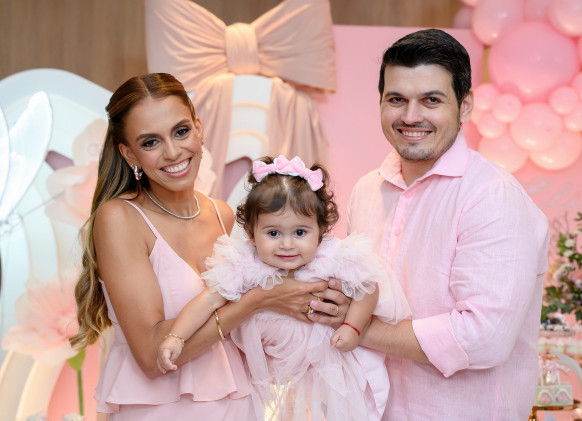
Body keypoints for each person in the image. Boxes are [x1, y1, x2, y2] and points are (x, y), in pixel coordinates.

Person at [68, 73, 346, 420]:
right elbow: (153, 355)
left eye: (181, 131)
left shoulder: (221, 214)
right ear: (129, 153)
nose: (173, 152)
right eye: (150, 142)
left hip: (236, 405)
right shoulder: (120, 218)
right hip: (158, 410)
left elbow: (249, 320)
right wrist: (258, 300)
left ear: (198, 128)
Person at [341, 29, 550, 420]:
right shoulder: (367, 190)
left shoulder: (493, 197)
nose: (410, 116)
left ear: (464, 106)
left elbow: (483, 338)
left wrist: (355, 329)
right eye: (396, 99)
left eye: (431, 100)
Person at [157, 155, 411, 420]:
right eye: (273, 233)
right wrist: (176, 337)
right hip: (270, 370)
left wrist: (352, 327)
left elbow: (368, 287)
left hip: (326, 363)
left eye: (300, 233)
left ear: (320, 231)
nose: (287, 245)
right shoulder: (245, 262)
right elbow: (208, 300)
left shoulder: (331, 257)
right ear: (251, 233)